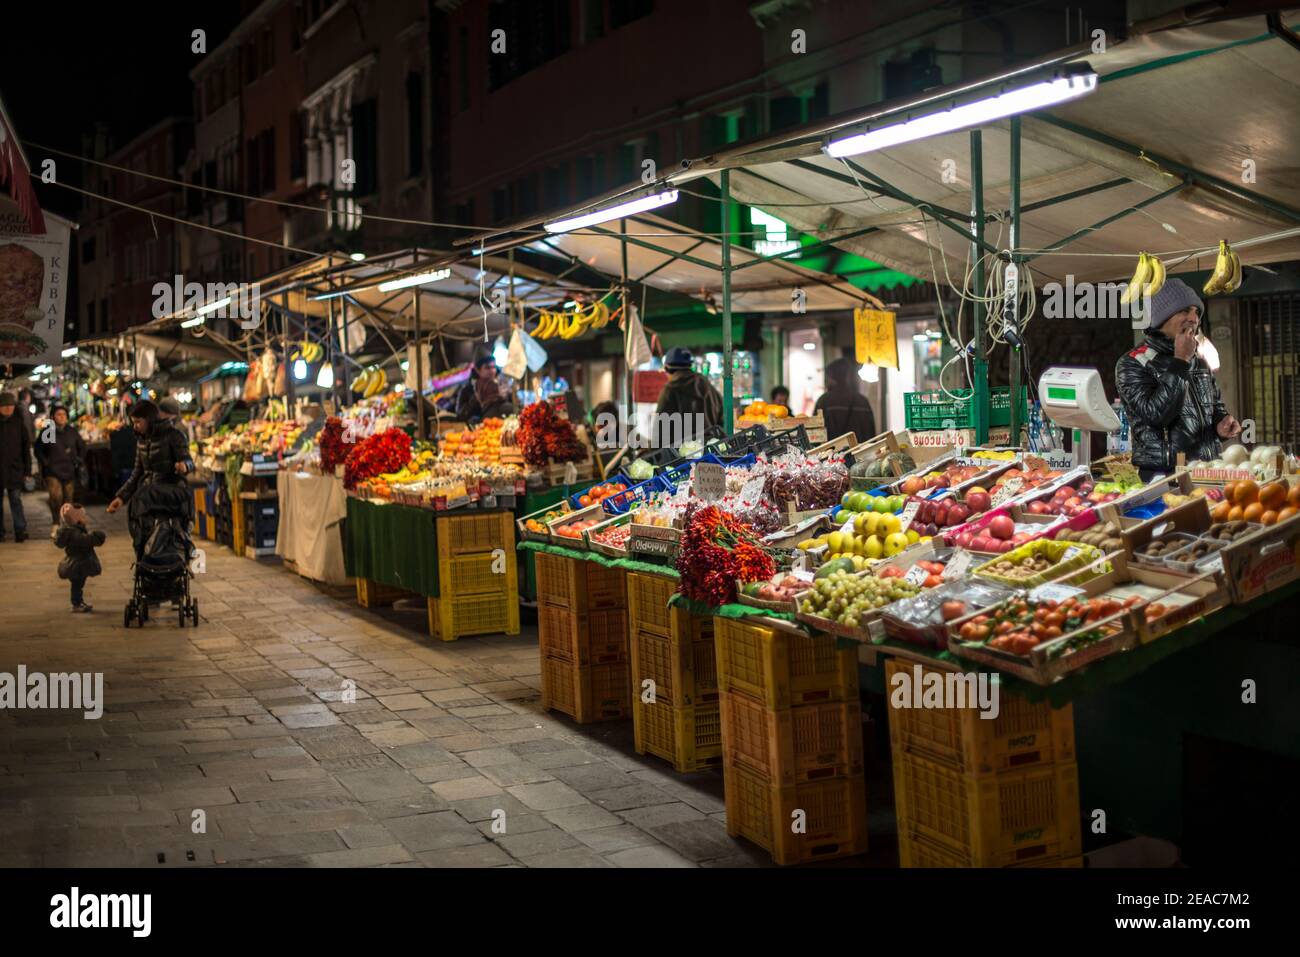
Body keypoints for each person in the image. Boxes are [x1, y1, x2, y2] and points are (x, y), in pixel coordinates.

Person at [1115, 278, 1240, 481]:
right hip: (1163, 477)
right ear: (1161, 318)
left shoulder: (1199, 360)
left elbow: (1215, 409)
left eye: (1196, 312)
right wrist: (1180, 360)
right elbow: (1156, 415)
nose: (1193, 317)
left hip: (1206, 471)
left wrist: (1221, 426)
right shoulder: (1133, 362)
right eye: (1184, 311)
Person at [106, 400, 194, 515]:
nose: (135, 426)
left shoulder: (174, 435)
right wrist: (121, 498)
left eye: (138, 422)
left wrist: (184, 466)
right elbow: (137, 474)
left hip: (171, 492)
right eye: (133, 422)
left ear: (149, 420)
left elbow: (189, 461)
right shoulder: (141, 441)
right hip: (150, 495)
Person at [653, 347, 723, 449]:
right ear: (690, 365)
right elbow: (722, 418)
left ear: (667, 368)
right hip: (711, 452)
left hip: (682, 456)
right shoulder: (707, 385)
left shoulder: (670, 390)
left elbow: (660, 431)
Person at [35, 403, 86, 527]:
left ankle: (68, 524)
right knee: (56, 498)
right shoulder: (48, 432)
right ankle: (56, 523)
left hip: (69, 470)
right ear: (53, 417)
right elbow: (39, 450)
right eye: (58, 414)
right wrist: (46, 463)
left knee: (68, 500)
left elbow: (82, 447)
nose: (62, 417)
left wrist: (78, 460)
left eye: (64, 414)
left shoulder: (71, 431)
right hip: (52, 471)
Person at [55, 501, 105, 613]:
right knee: (77, 585)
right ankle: (76, 604)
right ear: (77, 519)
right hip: (77, 564)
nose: (85, 518)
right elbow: (85, 541)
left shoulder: (73, 531)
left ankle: (79, 602)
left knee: (78, 584)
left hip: (77, 563)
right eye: (83, 516)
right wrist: (97, 537)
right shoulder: (75, 533)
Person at [815, 356, 877, 443]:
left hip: (832, 454)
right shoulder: (863, 401)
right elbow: (871, 435)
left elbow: (815, 434)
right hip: (860, 453)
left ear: (832, 378)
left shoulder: (824, 401)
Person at [0, 391, 33, 542]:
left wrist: (27, 470)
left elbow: (26, 449)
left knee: (16, 500)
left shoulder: (19, 424)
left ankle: (20, 530)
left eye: (10, 405)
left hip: (15, 469)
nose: (8, 408)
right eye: (4, 405)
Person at [455, 355, 514, 423]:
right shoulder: (467, 390)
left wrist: (508, 395)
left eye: (493, 367)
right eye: (487, 367)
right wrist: (476, 398)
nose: (492, 371)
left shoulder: (502, 385)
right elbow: (460, 416)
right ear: (477, 370)